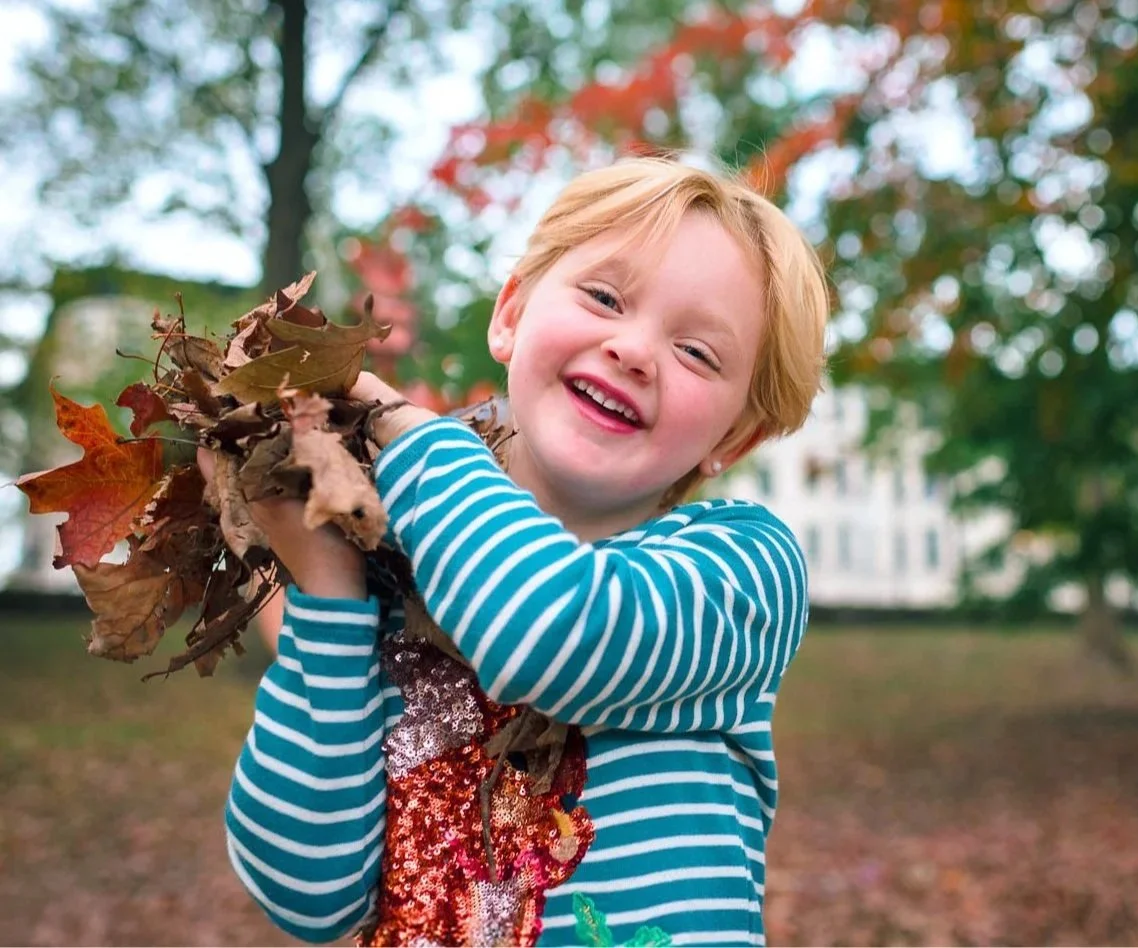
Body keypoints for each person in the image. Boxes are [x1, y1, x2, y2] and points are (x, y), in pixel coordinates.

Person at [221, 155, 830, 947]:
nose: (635, 350)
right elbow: (307, 893)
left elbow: (547, 631)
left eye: (698, 353)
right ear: (510, 314)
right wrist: (330, 596)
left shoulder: (742, 570)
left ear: (734, 439)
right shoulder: (396, 578)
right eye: (605, 297)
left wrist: (400, 427)